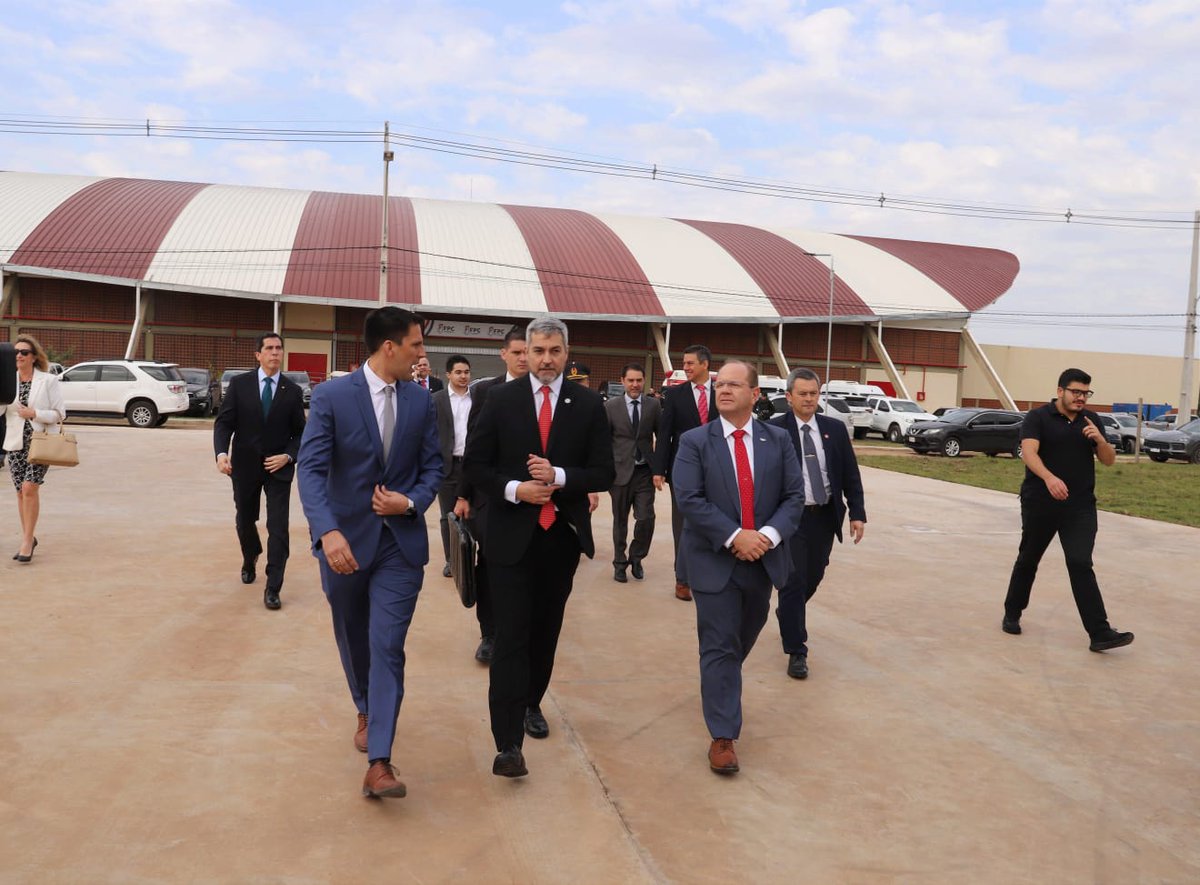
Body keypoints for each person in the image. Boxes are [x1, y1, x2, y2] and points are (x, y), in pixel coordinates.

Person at [297, 306, 444, 799]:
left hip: (400, 547)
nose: (423, 355)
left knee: (387, 645)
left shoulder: (422, 403)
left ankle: (380, 760)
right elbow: (311, 469)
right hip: (344, 546)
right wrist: (327, 532)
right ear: (390, 347)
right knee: (353, 635)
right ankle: (364, 704)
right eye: (417, 345)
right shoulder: (333, 396)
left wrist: (412, 501)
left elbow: (433, 469)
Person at [463, 316, 614, 779]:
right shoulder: (498, 399)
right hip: (509, 538)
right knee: (510, 635)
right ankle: (507, 743)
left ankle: (532, 702)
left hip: (560, 539)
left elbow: (604, 472)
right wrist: (516, 489)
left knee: (544, 633)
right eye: (538, 351)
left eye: (555, 351)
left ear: (566, 355)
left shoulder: (588, 405)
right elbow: (475, 465)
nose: (546, 360)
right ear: (524, 353)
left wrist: (560, 478)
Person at [672, 360, 804, 775]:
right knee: (719, 645)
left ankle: (720, 683)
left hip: (763, 561)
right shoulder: (695, 441)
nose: (724, 390)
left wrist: (765, 536)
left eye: (734, 384)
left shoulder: (778, 440)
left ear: (755, 394)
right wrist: (735, 537)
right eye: (719, 384)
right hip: (714, 561)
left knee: (738, 642)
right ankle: (724, 736)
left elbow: (794, 497)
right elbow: (689, 498)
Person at [1002, 368, 1134, 653]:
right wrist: (1049, 478)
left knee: (1080, 562)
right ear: (1060, 390)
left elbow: (1109, 461)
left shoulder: (1092, 420)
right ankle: (1012, 611)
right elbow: (1029, 453)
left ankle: (1100, 633)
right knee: (1028, 559)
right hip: (1041, 503)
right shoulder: (1038, 418)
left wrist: (1100, 440)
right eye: (1076, 392)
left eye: (1086, 393)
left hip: (1080, 506)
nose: (1081, 398)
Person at [771, 368, 866, 679]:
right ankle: (797, 650)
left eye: (814, 393)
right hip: (790, 519)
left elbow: (850, 474)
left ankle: (787, 613)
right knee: (794, 581)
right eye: (803, 394)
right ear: (789, 397)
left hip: (824, 517)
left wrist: (857, 513)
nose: (810, 399)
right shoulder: (774, 430)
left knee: (813, 577)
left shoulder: (834, 430)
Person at [213, 333, 307, 610]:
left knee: (278, 527)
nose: (275, 353)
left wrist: (289, 456)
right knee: (245, 520)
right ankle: (250, 554)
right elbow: (224, 424)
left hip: (278, 468)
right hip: (244, 466)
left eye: (279, 348)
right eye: (269, 348)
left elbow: (301, 434)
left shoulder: (292, 391)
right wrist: (221, 454)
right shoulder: (240, 385)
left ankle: (273, 586)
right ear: (258, 354)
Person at [454, 327, 529, 664]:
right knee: (489, 566)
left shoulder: (549, 393)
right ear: (504, 354)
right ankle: (489, 633)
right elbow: (474, 447)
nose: (525, 358)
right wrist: (463, 494)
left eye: (530, 351)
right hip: (492, 497)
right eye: (518, 352)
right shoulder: (485, 392)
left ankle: (520, 630)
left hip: (534, 498)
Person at [652, 344, 715, 601]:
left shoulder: (722, 393)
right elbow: (665, 433)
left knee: (713, 523)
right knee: (683, 524)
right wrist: (659, 469)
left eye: (690, 363)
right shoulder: (675, 395)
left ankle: (709, 575)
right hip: (683, 469)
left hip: (716, 471)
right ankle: (683, 579)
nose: (685, 368)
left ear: (705, 365)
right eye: (684, 363)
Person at [1, 335, 66, 563]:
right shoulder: (7, 381)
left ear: (34, 357)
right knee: (20, 492)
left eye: (24, 352)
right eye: (16, 352)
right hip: (16, 443)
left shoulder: (48, 381)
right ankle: (29, 535)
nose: (19, 355)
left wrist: (35, 413)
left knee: (29, 488)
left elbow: (60, 413)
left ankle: (26, 541)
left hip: (41, 441)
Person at [605, 362, 659, 583]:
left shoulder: (654, 405)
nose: (635, 384)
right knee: (620, 521)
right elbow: (603, 441)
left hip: (644, 472)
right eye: (630, 380)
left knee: (646, 518)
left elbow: (661, 436)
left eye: (638, 380)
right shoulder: (611, 406)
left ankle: (636, 557)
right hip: (619, 473)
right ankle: (619, 563)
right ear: (622, 381)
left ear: (644, 381)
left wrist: (659, 469)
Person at [431, 354, 471, 578]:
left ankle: (470, 558)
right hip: (447, 466)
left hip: (472, 466)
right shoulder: (436, 400)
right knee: (449, 516)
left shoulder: (478, 399)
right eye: (458, 372)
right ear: (448, 374)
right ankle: (451, 560)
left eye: (466, 372)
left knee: (473, 515)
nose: (463, 376)